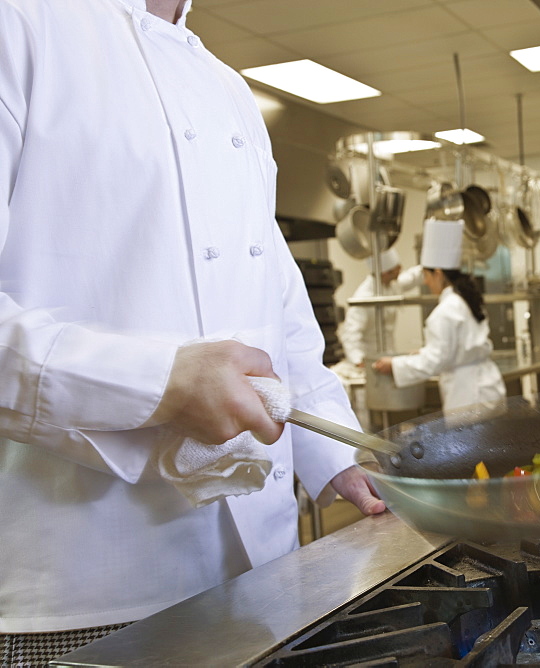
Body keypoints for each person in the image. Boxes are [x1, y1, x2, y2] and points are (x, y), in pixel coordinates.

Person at [0, 0, 383, 662]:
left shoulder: (229, 88)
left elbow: (280, 306)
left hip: (266, 565)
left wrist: (339, 457)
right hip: (90, 586)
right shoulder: (22, 23)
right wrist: (160, 384)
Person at [372, 219, 506, 414]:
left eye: (426, 275)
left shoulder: (445, 311)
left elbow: (434, 362)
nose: (426, 282)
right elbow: (453, 348)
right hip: (488, 387)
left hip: (468, 396)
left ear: (438, 273)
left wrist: (395, 364)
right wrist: (424, 351)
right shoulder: (465, 300)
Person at [338, 248, 423, 368]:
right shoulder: (364, 297)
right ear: (385, 273)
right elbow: (350, 335)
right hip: (371, 360)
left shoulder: (391, 284)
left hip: (389, 356)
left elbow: (412, 277)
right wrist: (359, 362)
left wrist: (430, 266)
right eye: (396, 269)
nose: (401, 269)